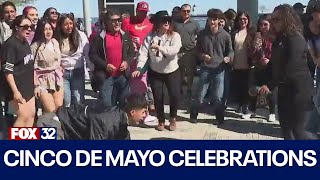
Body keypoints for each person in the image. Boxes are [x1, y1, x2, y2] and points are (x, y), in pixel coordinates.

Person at [260, 4, 316, 140]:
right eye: (273, 19)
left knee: (300, 132)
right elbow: (274, 65)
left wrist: (270, 85)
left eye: (277, 19)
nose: (274, 22)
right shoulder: (279, 39)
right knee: (286, 131)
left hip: (300, 91)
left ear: (287, 19)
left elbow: (291, 67)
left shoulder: (295, 38)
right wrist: (263, 82)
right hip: (285, 91)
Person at [132, 10, 182, 131]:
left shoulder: (175, 36)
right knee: (158, 97)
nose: (166, 23)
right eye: (163, 21)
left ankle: (173, 118)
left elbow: (172, 52)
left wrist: (160, 47)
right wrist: (139, 67)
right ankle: (161, 120)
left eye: (168, 21)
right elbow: (143, 54)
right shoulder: (150, 37)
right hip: (156, 72)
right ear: (157, 23)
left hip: (172, 71)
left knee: (174, 95)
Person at [190, 9, 234, 125]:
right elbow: (197, 51)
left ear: (219, 20)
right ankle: (194, 114)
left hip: (220, 69)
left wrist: (228, 58)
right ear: (207, 20)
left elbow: (230, 51)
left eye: (214, 19)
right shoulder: (202, 34)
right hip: (205, 68)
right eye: (210, 19)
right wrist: (203, 56)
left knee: (218, 96)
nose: (212, 22)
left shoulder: (225, 35)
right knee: (200, 94)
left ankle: (219, 117)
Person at [89, 9, 134, 108]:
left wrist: (127, 62)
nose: (117, 23)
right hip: (106, 77)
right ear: (107, 22)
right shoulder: (99, 38)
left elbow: (131, 52)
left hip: (122, 76)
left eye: (118, 20)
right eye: (113, 21)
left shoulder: (125, 35)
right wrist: (105, 65)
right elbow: (92, 55)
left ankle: (120, 122)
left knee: (124, 103)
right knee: (107, 104)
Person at [0, 15, 35, 127]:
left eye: (31, 27)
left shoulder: (25, 42)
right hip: (17, 88)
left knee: (31, 115)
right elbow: (7, 71)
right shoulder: (10, 44)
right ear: (16, 27)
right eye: (25, 27)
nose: (29, 29)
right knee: (22, 116)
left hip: (28, 87)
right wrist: (15, 91)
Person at [121, 1, 156, 112]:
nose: (143, 14)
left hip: (146, 56)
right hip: (133, 57)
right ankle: (133, 104)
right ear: (136, 11)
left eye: (145, 12)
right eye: (141, 12)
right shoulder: (127, 22)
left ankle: (147, 104)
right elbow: (123, 38)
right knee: (133, 81)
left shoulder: (151, 24)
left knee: (145, 81)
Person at [55, 13, 92, 107]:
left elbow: (87, 54)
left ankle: (79, 120)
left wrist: (91, 70)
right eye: (66, 24)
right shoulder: (56, 37)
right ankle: (67, 120)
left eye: (71, 23)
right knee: (66, 100)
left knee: (78, 100)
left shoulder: (81, 35)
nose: (69, 26)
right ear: (61, 25)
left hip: (77, 71)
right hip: (63, 74)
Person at [247, 14, 276, 122]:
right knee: (253, 89)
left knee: (269, 90)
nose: (263, 27)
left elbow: (278, 54)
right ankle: (251, 110)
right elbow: (251, 53)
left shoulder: (274, 37)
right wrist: (255, 46)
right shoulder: (257, 36)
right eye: (261, 25)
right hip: (258, 66)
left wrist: (270, 60)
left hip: (271, 67)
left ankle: (272, 112)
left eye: (265, 24)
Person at [31, 19, 63, 113]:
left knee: (59, 110)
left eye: (50, 29)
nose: (48, 31)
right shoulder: (35, 46)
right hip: (42, 81)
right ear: (41, 31)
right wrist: (36, 85)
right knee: (50, 110)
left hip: (56, 79)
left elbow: (58, 60)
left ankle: (51, 127)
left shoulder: (55, 42)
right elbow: (32, 67)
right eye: (45, 29)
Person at [173, 4, 200, 101]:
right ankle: (179, 90)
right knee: (178, 73)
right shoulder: (175, 23)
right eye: (184, 11)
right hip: (178, 52)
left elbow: (199, 36)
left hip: (190, 52)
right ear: (180, 12)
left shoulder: (195, 23)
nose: (186, 13)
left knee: (190, 73)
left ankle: (189, 90)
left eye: (188, 11)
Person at [231, 11, 253, 119]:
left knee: (246, 87)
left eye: (245, 19)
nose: (243, 21)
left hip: (248, 64)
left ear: (248, 20)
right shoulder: (234, 32)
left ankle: (246, 107)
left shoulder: (252, 32)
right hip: (236, 63)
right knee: (238, 86)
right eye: (241, 19)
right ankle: (240, 105)